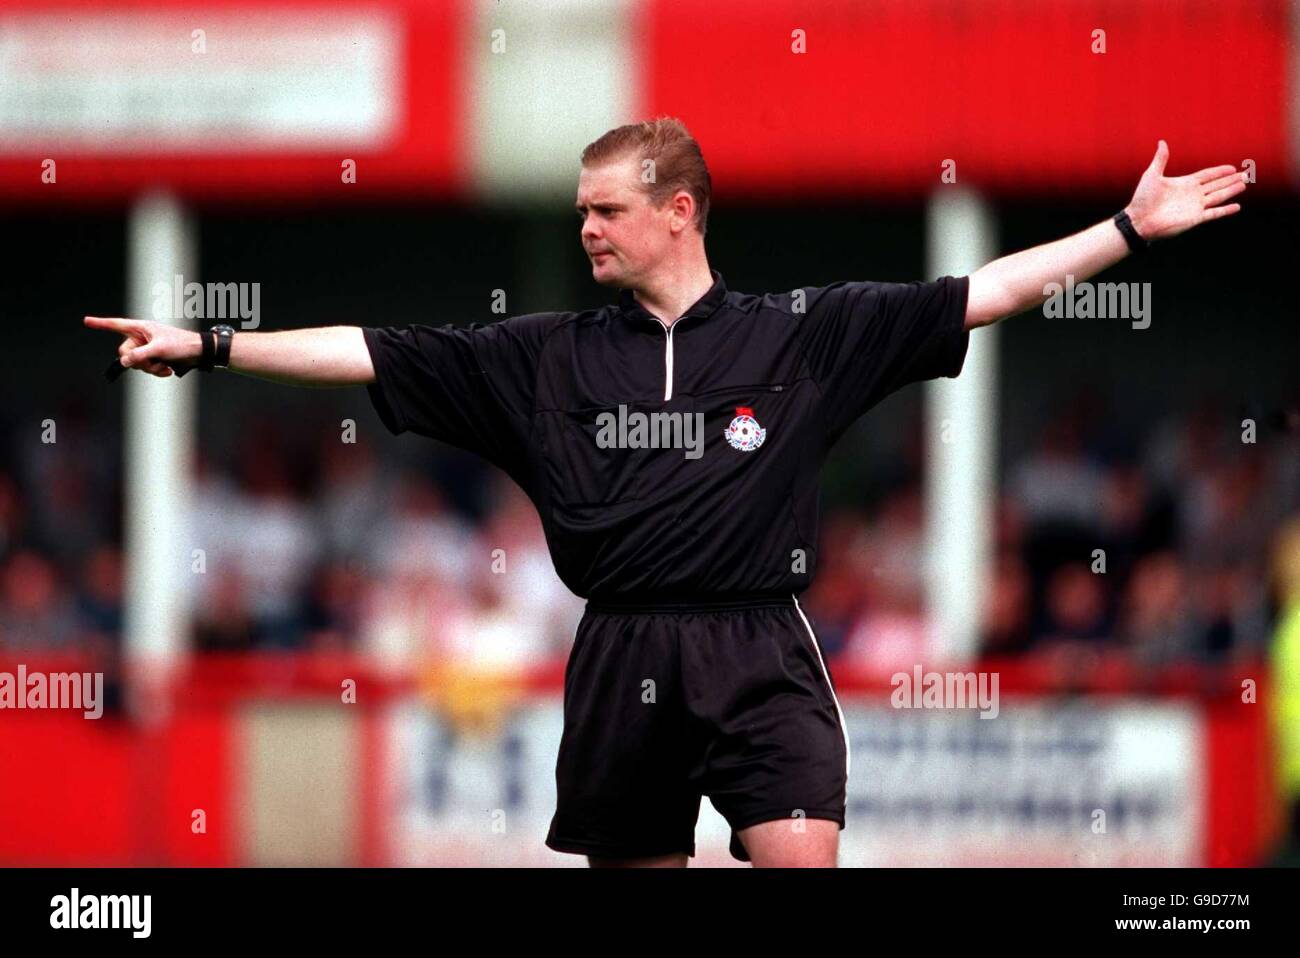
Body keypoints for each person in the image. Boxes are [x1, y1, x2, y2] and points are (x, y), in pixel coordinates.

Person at [86, 117, 1247, 867]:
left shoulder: (806, 334)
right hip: (619, 653)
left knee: (804, 857)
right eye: (582, 209)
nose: (585, 226)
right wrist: (213, 347)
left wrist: (1123, 233)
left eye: (605, 209)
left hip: (760, 647)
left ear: (679, 210)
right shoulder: (539, 356)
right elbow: (376, 348)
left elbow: (979, 293)